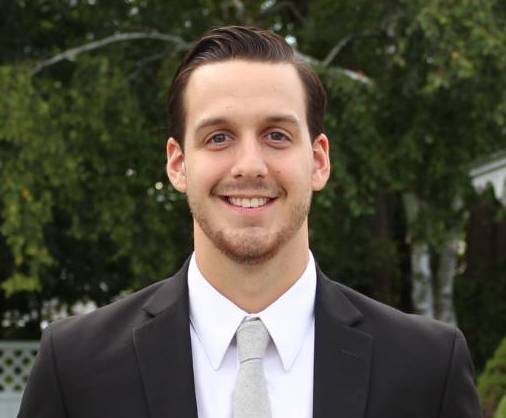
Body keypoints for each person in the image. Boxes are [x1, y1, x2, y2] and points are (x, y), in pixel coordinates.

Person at [19, 26, 481, 418]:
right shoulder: (75, 367)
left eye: (276, 135)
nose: (249, 166)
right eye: (218, 137)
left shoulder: (428, 368)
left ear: (319, 161)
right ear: (178, 165)